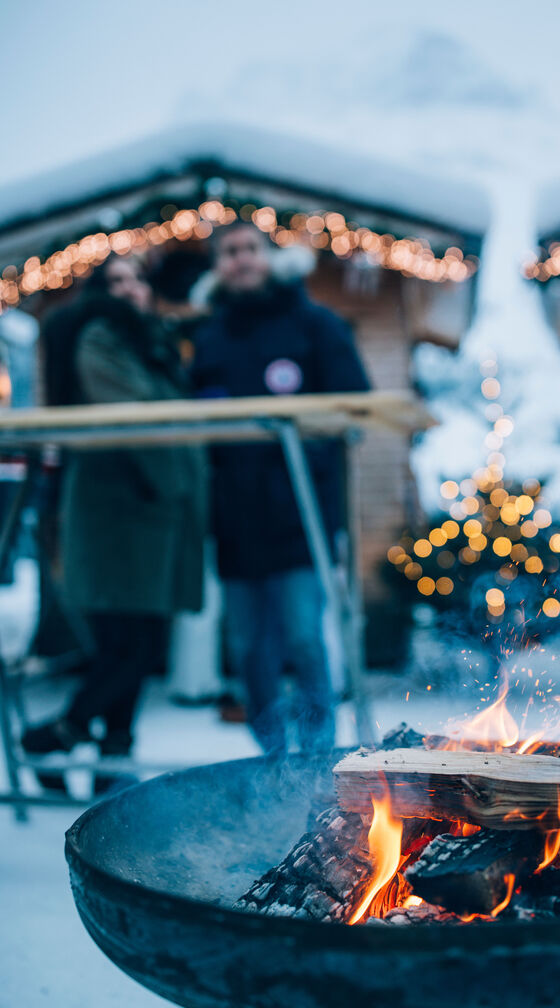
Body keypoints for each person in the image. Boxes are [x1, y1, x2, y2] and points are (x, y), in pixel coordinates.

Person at [22, 255, 206, 790]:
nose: (128, 290)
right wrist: (178, 482)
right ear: (100, 292)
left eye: (136, 280)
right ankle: (55, 735)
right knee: (131, 646)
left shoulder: (151, 341)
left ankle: (110, 761)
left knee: (138, 639)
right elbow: (137, 415)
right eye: (116, 281)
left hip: (150, 507)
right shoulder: (102, 337)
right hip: (117, 508)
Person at [193, 223, 370, 755]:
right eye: (229, 252)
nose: (241, 260)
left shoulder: (315, 324)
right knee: (249, 648)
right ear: (217, 266)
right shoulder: (209, 337)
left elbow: (354, 408)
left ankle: (319, 758)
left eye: (250, 249)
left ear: (270, 257)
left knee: (303, 638)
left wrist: (305, 453)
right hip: (234, 520)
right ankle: (272, 760)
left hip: (301, 515)